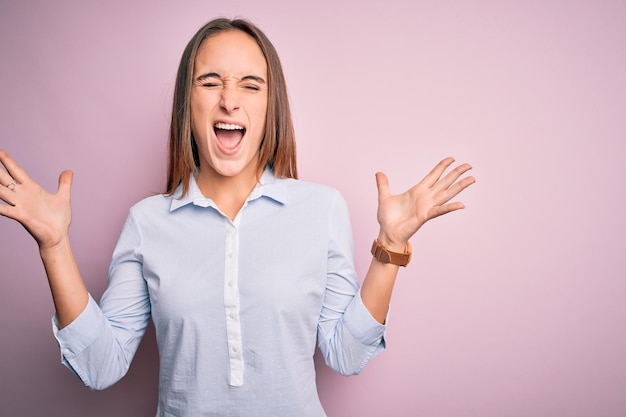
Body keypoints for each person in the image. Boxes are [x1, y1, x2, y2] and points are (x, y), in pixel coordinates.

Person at [0, 17, 474, 417]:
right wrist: (54, 246)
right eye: (211, 82)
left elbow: (346, 354)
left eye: (251, 85)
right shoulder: (146, 222)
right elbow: (102, 367)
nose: (230, 99)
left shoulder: (321, 209)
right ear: (189, 106)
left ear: (271, 108)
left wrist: (390, 247)